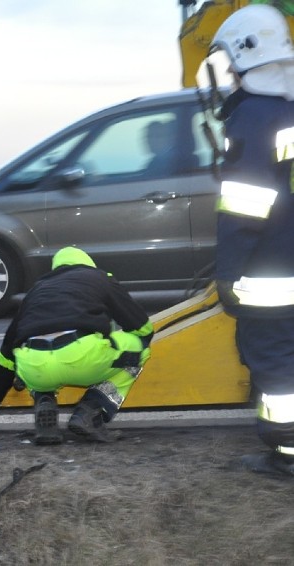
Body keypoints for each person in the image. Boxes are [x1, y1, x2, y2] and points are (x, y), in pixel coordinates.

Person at [205, 4, 294, 476]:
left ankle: (287, 452)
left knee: (276, 364)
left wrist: (227, 271)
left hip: (272, 273)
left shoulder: (253, 117)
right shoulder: (288, 109)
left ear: (243, 56)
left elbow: (244, 205)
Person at [0, 246, 154, 444]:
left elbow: (7, 355)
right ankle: (91, 411)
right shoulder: (100, 278)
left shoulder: (37, 290)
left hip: (34, 366)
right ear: (88, 264)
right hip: (81, 356)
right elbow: (142, 327)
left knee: (36, 359)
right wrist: (114, 339)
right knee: (140, 349)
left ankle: (44, 401)